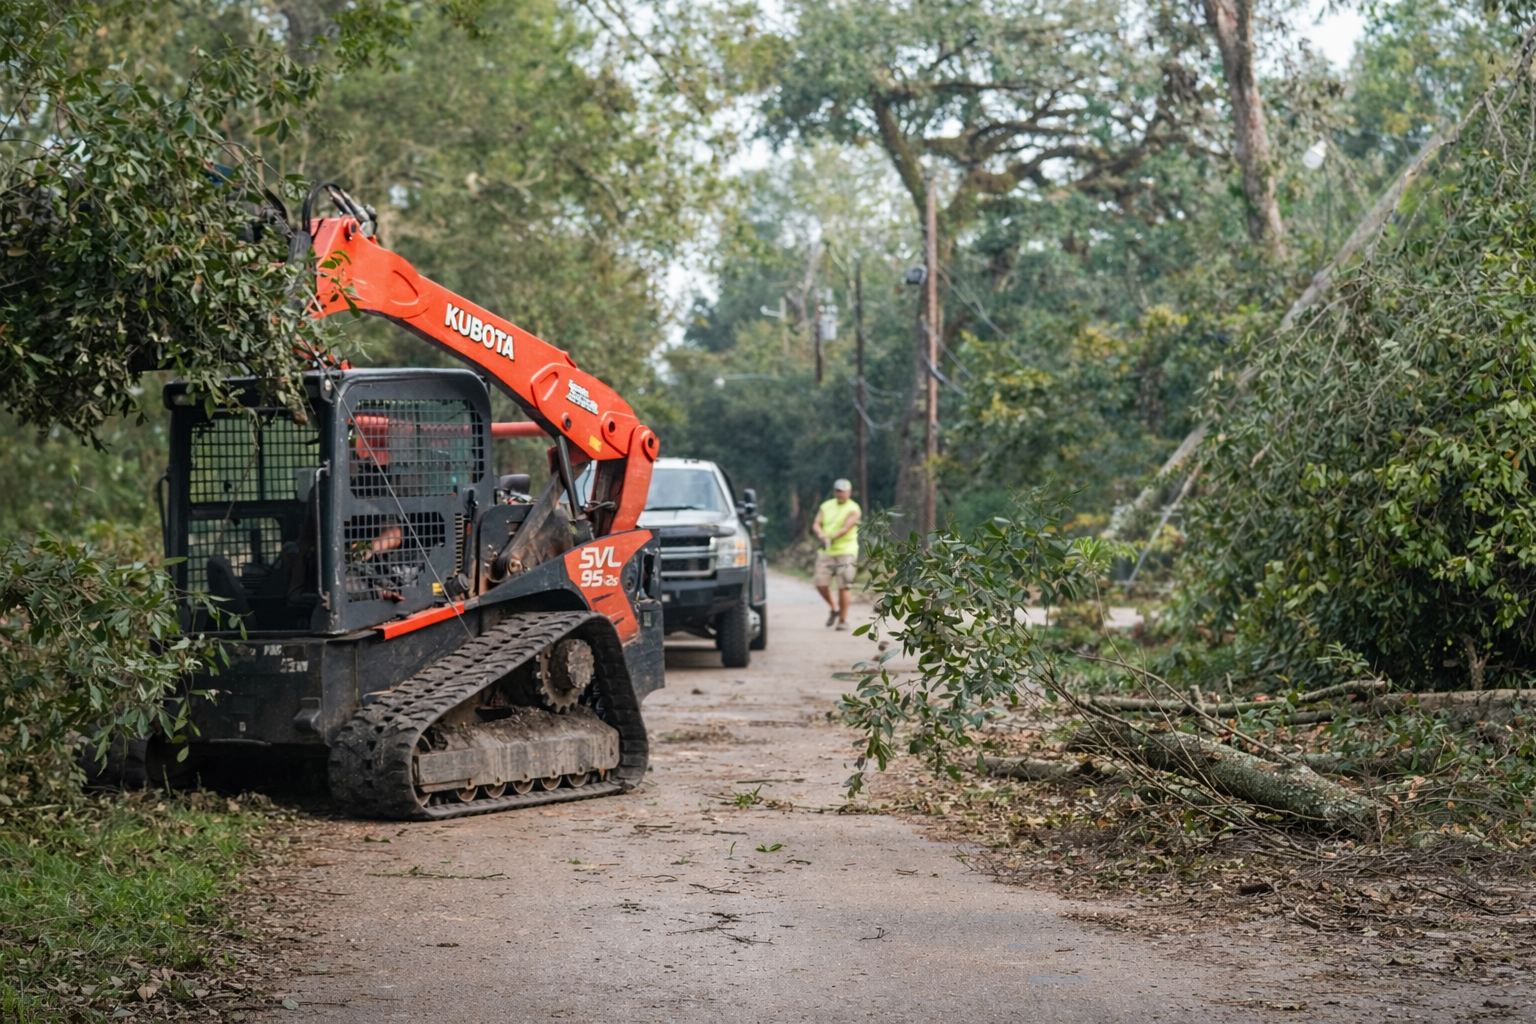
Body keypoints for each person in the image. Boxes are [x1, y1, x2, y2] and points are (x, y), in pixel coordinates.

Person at [812, 478, 861, 631]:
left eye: (844, 491)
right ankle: (834, 608)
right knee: (820, 584)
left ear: (849, 492)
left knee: (844, 586)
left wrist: (830, 538)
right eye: (838, 491)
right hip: (827, 551)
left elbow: (846, 528)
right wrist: (821, 535)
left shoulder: (854, 508)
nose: (841, 494)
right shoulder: (826, 506)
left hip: (847, 551)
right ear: (834, 491)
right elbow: (816, 523)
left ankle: (842, 620)